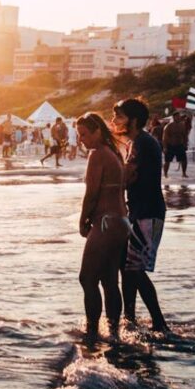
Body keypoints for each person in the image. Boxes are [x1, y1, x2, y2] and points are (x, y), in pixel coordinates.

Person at [112, 98, 169, 332]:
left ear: (133, 121)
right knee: (126, 267)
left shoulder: (142, 143)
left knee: (134, 269)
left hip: (148, 213)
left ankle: (159, 323)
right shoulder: (140, 141)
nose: (114, 121)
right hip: (141, 211)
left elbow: (128, 177)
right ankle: (130, 319)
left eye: (120, 116)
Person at [75, 113, 130, 344]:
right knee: (109, 280)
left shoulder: (97, 154)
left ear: (97, 130)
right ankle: (114, 333)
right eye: (79, 136)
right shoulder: (114, 152)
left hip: (105, 223)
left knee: (87, 279)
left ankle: (92, 333)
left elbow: (92, 193)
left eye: (84, 134)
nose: (82, 140)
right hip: (121, 222)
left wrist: (83, 219)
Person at [162, 111, 189, 178]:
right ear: (174, 117)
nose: (178, 117)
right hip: (170, 145)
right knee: (167, 161)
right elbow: (164, 138)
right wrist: (165, 147)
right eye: (177, 116)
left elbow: (185, 136)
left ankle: (184, 173)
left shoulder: (182, 125)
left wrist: (185, 144)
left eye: (179, 116)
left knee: (184, 160)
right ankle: (165, 174)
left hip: (180, 145)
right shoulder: (168, 126)